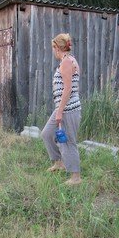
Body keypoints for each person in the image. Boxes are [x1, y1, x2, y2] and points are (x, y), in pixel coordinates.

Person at [41, 33, 82, 185]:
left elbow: (68, 89)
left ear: (57, 48)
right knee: (47, 133)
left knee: (68, 142)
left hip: (68, 110)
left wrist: (60, 111)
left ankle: (76, 178)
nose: (53, 51)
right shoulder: (69, 60)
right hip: (63, 108)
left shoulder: (66, 62)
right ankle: (59, 163)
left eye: (53, 48)